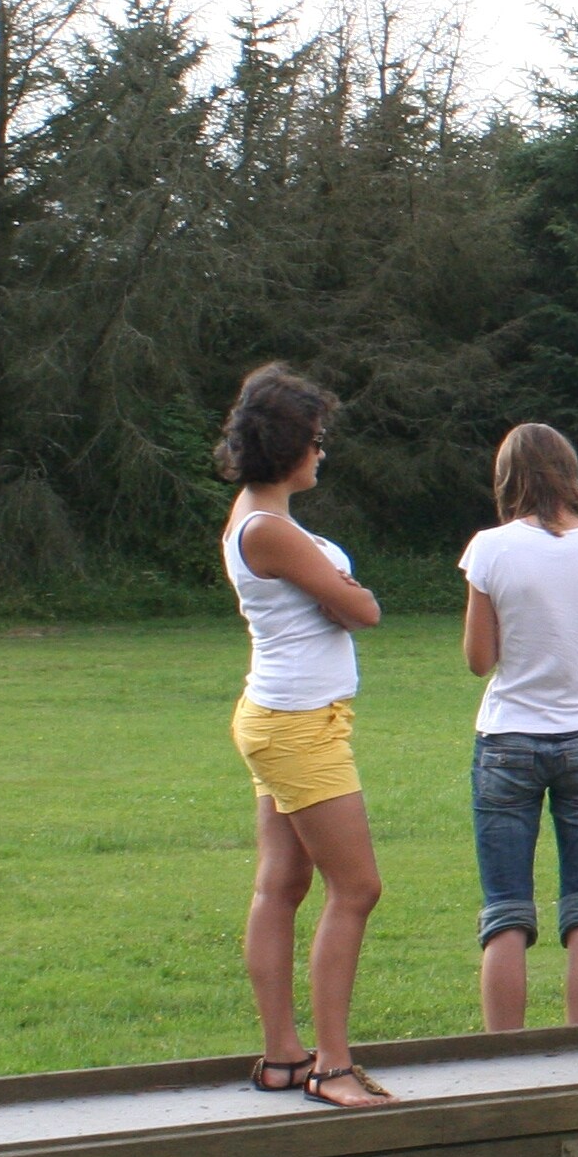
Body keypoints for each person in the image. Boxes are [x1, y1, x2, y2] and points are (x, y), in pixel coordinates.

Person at [217, 362, 396, 1109]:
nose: (323, 453)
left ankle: (285, 1057)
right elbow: (364, 612)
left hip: (283, 714)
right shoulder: (271, 530)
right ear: (289, 446)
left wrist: (343, 593)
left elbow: (339, 603)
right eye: (317, 440)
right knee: (356, 888)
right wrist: (350, 592)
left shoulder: (258, 518)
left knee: (281, 885)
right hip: (298, 725)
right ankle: (331, 1067)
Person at [459, 424, 578, 1031]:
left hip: (507, 737)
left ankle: (505, 1060)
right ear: (570, 472)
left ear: (508, 477)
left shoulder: (489, 547)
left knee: (506, 909)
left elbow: (479, 659)